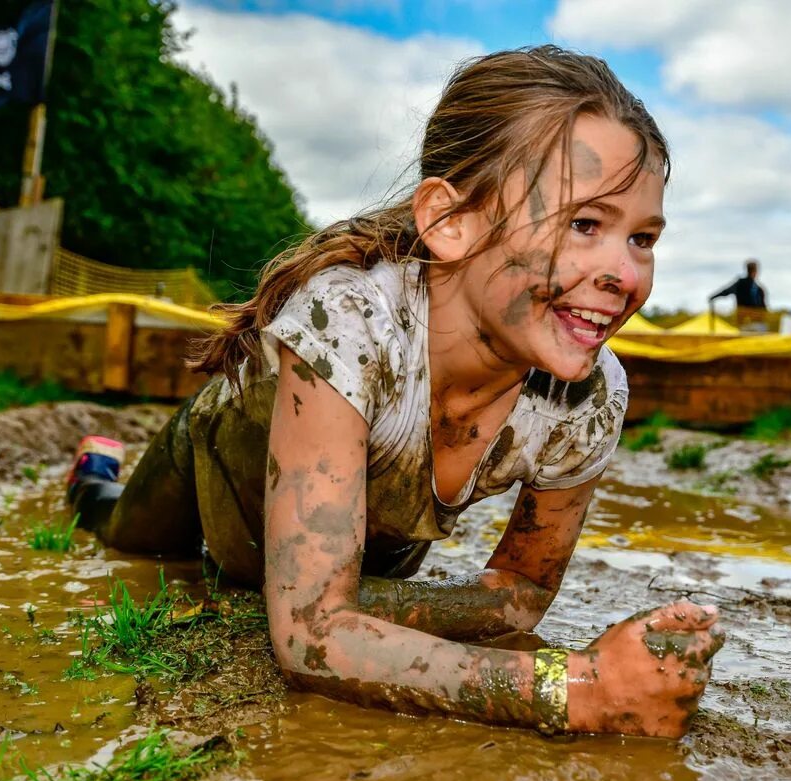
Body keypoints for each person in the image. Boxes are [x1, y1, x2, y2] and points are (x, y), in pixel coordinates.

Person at [65, 46, 723, 739]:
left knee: (252, 592)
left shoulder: (590, 397)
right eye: (585, 224)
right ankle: (95, 470)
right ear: (450, 222)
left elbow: (520, 595)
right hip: (214, 460)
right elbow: (313, 639)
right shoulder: (351, 320)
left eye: (643, 238)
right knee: (128, 542)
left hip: (371, 543)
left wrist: (313, 607)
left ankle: (254, 589)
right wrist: (573, 687)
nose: (624, 271)